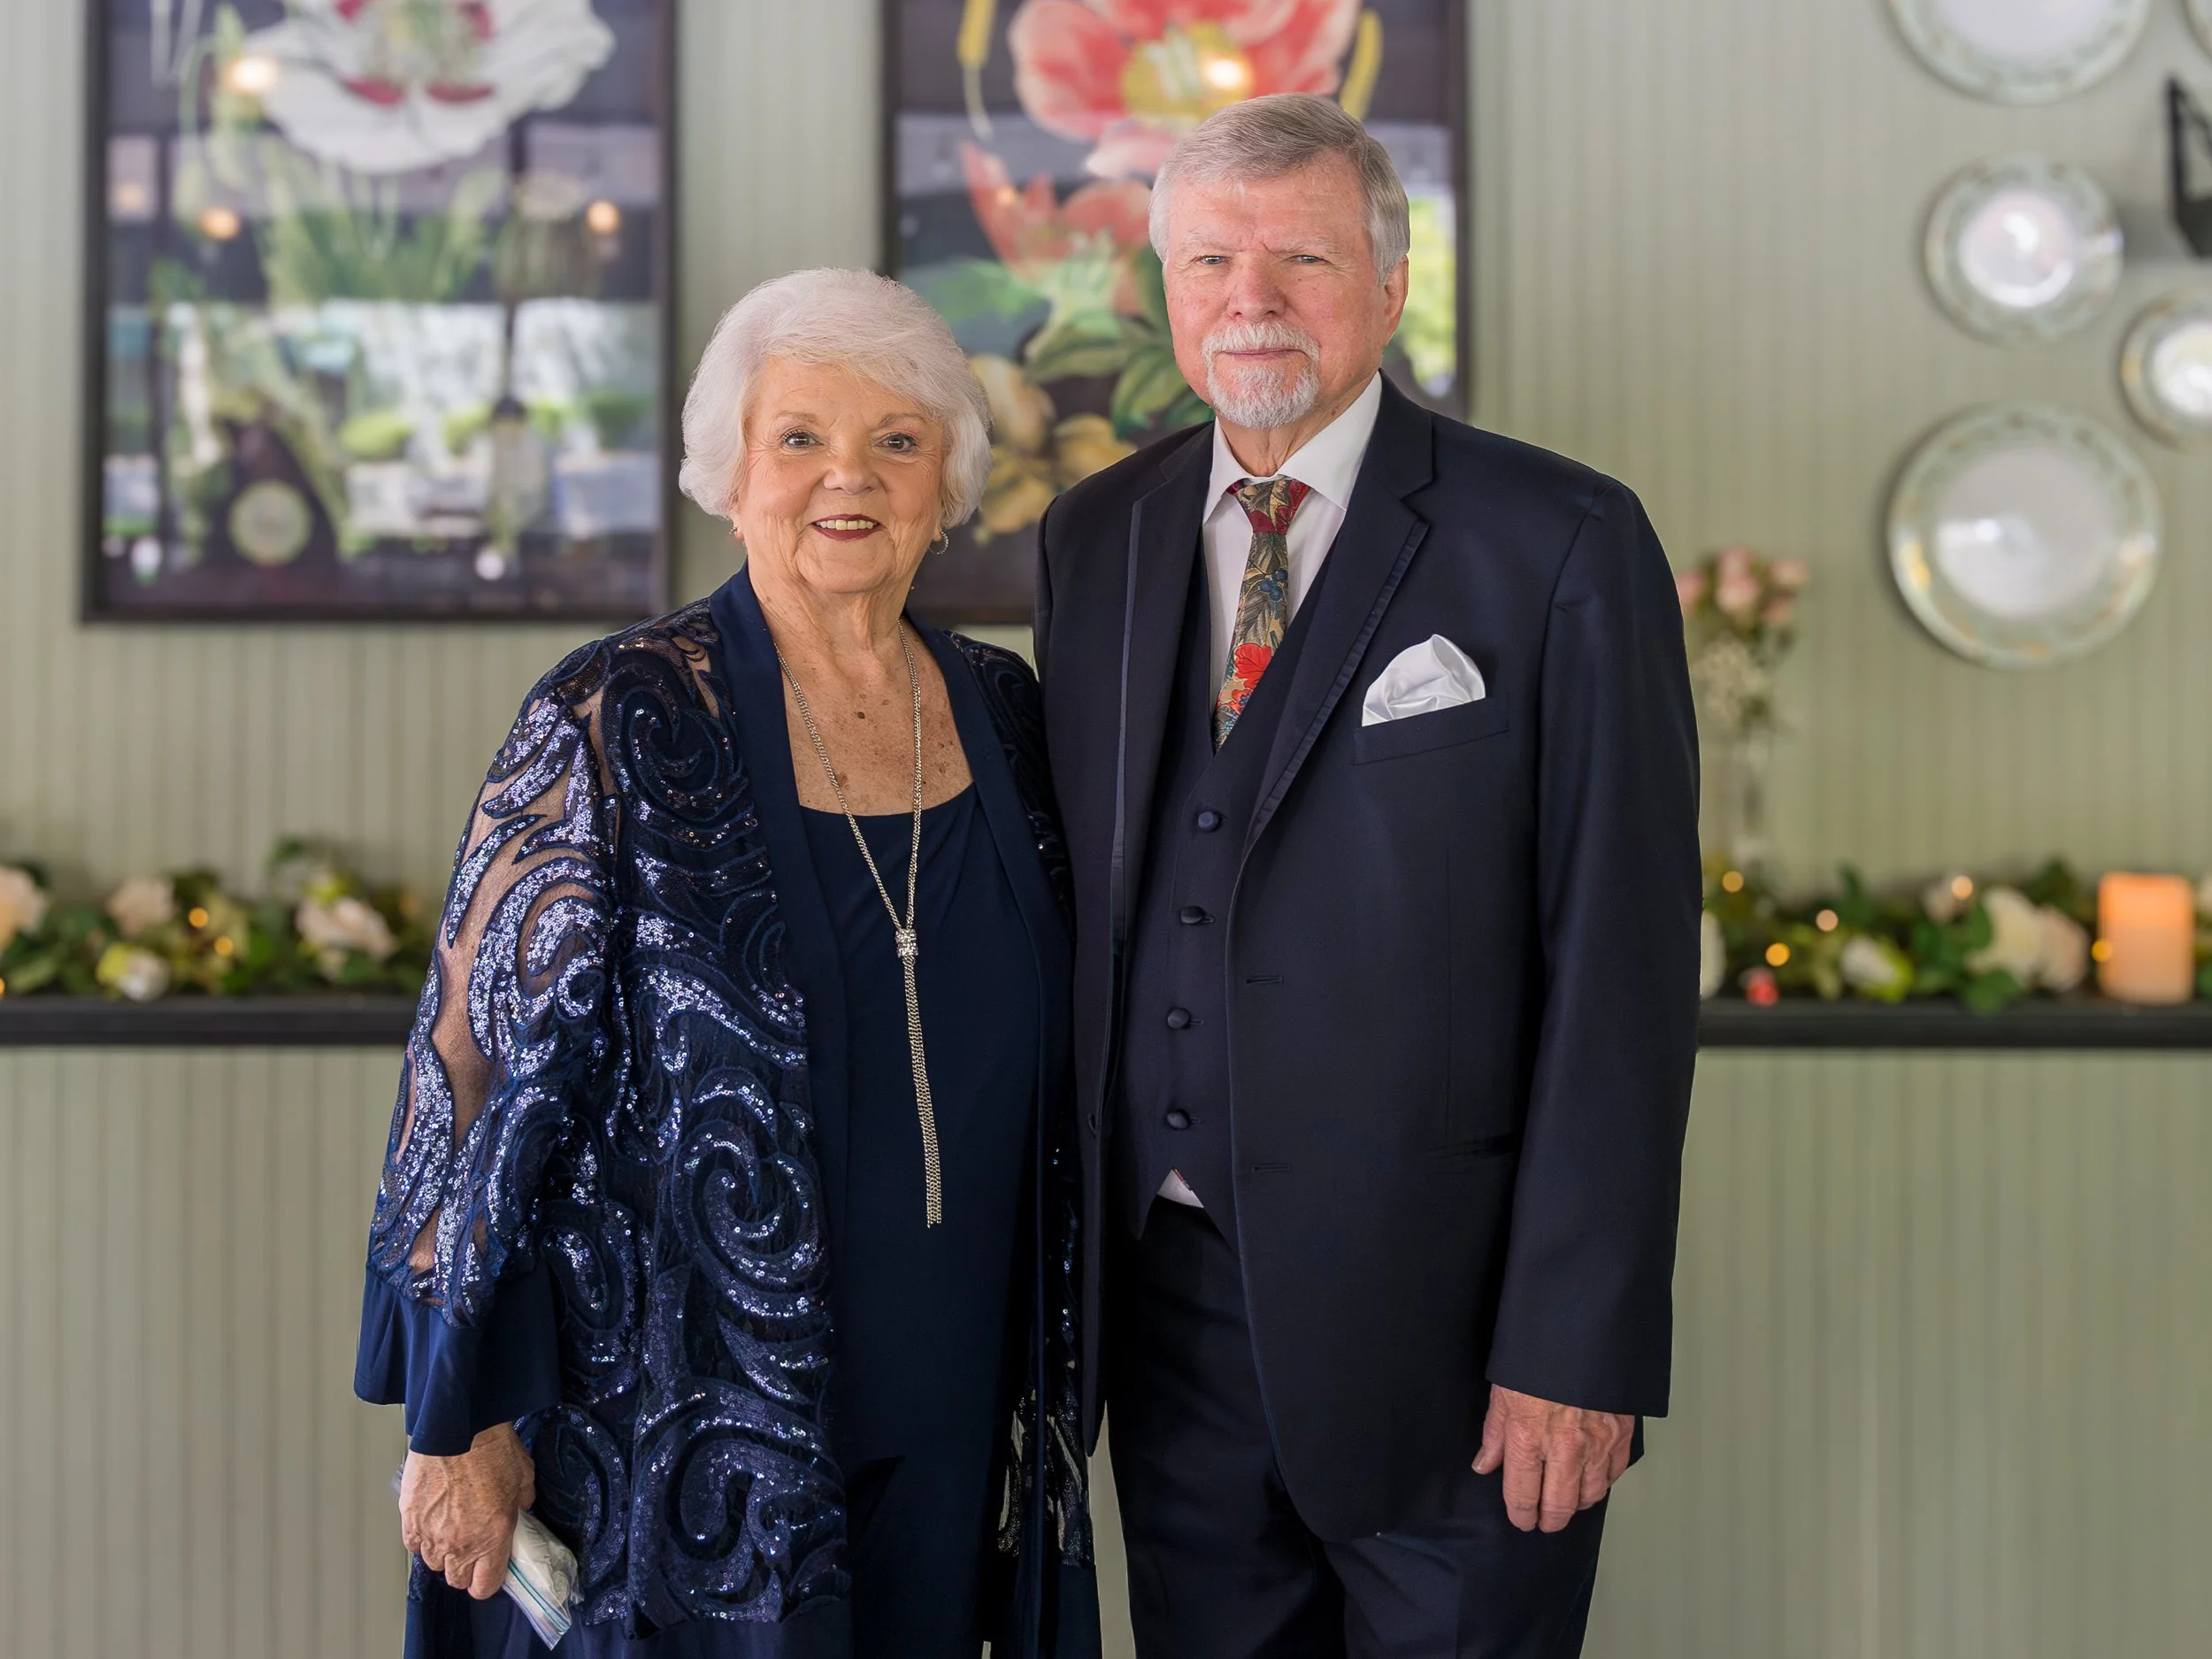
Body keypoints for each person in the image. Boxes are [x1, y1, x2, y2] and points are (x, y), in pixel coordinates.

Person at [1033, 95, 1701, 1657]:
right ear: (1164, 288)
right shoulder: (1096, 535)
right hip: (1170, 1320)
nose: (1249, 299)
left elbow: (1619, 971)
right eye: (1210, 261)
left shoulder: (1559, 539)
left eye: (1301, 259)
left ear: (1390, 288)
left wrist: (1576, 1344)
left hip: (1462, 1347)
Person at [356, 268, 1096, 1659]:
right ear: (730, 470)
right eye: (800, 437)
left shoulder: (1005, 711)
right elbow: (472, 1066)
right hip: (685, 1427)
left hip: (962, 1418)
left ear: (948, 484)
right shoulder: (618, 712)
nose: (849, 479)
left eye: (898, 439)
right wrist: (462, 1414)